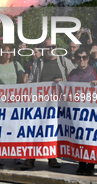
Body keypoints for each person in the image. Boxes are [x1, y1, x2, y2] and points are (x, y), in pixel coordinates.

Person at [21, 38, 75, 170]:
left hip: (58, 104)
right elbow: (32, 80)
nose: (51, 49)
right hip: (40, 103)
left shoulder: (63, 61)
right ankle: (30, 159)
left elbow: (74, 77)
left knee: (53, 132)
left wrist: (63, 82)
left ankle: (52, 158)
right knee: (35, 131)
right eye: (47, 47)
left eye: (53, 46)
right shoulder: (38, 62)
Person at [68, 47, 97, 175]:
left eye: (84, 57)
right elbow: (66, 90)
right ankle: (81, 164)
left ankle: (91, 165)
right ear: (76, 59)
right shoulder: (72, 73)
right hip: (76, 113)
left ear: (88, 59)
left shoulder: (96, 71)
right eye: (79, 57)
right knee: (79, 138)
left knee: (91, 138)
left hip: (92, 112)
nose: (81, 60)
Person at [0, 43, 24, 165]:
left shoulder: (16, 65)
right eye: (4, 51)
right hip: (0, 105)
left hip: (14, 104)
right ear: (0, 53)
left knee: (15, 129)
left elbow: (22, 84)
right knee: (1, 130)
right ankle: (0, 156)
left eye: (9, 51)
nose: (7, 53)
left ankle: (16, 156)